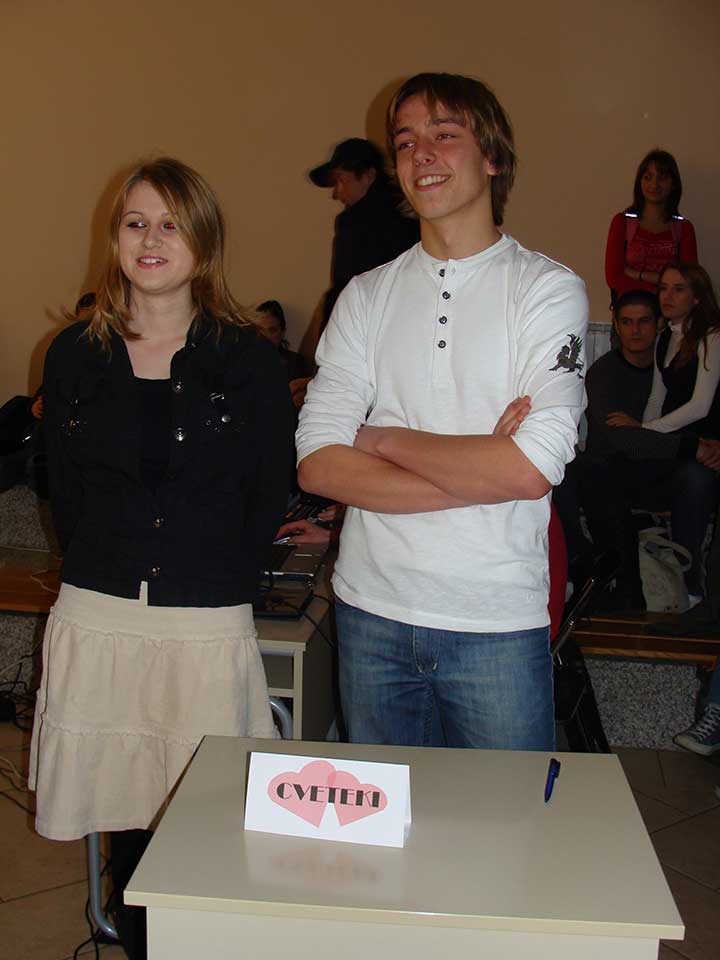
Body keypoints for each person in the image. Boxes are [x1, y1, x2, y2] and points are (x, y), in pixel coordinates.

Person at [28, 158, 294, 959]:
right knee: (125, 815)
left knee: (204, 817)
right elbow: (61, 486)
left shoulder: (249, 362)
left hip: (203, 616)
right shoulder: (73, 354)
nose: (151, 239)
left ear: (203, 241)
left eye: (171, 223)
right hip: (102, 607)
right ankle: (138, 940)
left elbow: (268, 491)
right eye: (136, 222)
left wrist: (212, 572)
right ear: (114, 238)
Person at [296, 72, 588, 751]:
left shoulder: (547, 291)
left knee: (506, 818)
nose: (421, 154)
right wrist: (480, 469)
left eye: (444, 134)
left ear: (493, 156)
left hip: (496, 621)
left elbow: (531, 468)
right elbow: (317, 464)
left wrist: (379, 438)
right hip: (371, 613)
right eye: (405, 142)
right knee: (388, 819)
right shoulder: (364, 297)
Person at [555, 289, 720, 612]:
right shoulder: (603, 373)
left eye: (644, 321)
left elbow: (693, 416)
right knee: (582, 469)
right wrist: (690, 446)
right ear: (616, 326)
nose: (635, 331)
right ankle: (592, 571)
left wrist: (702, 446)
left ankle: (688, 582)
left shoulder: (675, 366)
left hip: (663, 469)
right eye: (627, 322)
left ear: (658, 324)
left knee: (697, 477)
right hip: (613, 471)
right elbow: (623, 440)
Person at [309, 137, 420, 330]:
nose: (337, 192)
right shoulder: (414, 214)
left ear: (369, 175)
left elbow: (345, 289)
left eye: (341, 180)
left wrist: (327, 335)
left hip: (366, 328)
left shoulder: (354, 223)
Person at [605, 149, 697, 304]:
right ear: (639, 182)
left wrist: (638, 274)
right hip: (631, 310)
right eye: (648, 177)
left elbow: (690, 279)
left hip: (669, 313)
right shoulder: (622, 222)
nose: (654, 184)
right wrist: (658, 287)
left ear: (673, 184)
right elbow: (614, 277)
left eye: (662, 178)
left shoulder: (684, 228)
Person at [256, 299, 310, 382]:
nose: (266, 336)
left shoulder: (295, 363)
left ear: (283, 332)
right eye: (261, 331)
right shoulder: (245, 361)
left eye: (272, 330)